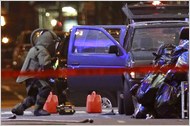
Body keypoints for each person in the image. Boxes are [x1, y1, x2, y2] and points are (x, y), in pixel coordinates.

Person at [11, 28, 61, 116]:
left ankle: (19, 108)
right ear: (49, 42)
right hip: (34, 76)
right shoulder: (42, 50)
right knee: (45, 88)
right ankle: (38, 110)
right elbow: (45, 65)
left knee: (33, 96)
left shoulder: (35, 48)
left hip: (29, 76)